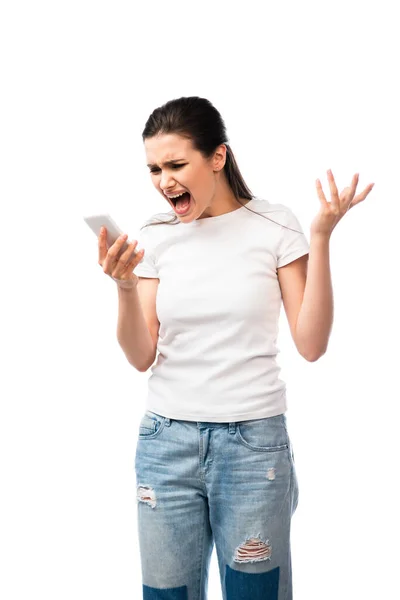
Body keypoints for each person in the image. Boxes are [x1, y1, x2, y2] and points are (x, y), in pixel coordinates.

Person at [97, 96, 374, 600]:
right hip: (166, 446)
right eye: (155, 168)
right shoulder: (156, 234)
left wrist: (322, 236)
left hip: (252, 449)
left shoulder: (275, 225)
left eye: (177, 164)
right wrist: (124, 288)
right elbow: (141, 356)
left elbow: (311, 345)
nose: (165, 181)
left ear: (217, 158)